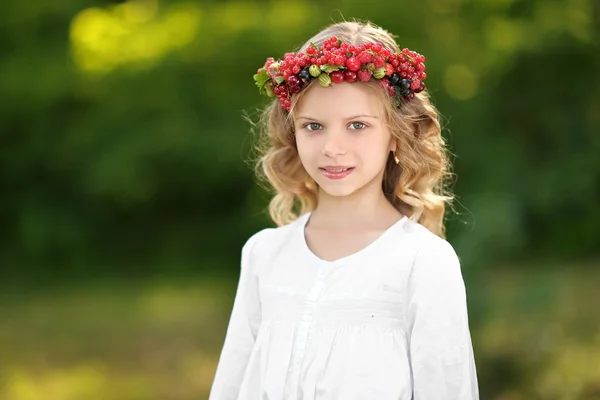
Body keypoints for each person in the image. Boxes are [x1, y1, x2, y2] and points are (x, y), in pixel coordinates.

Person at [209, 20, 479, 400]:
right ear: (293, 133)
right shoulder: (264, 254)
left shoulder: (422, 262)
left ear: (396, 135)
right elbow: (231, 385)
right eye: (314, 126)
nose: (332, 148)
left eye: (357, 125)